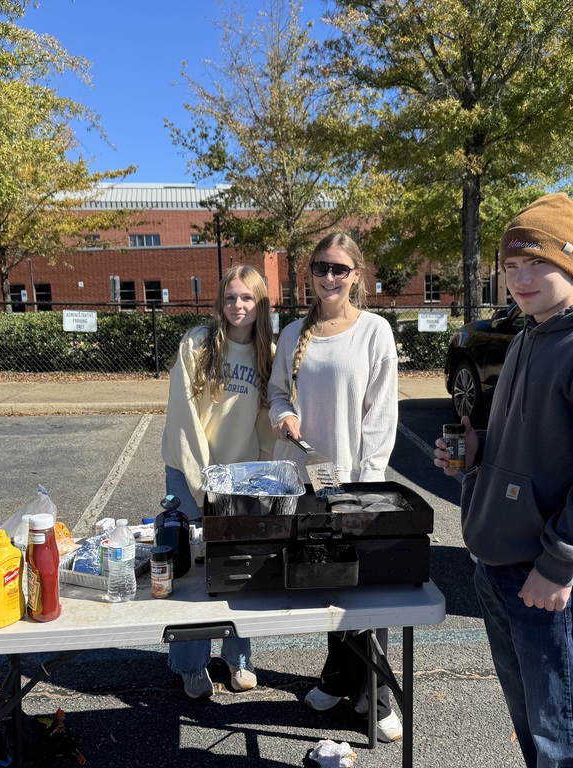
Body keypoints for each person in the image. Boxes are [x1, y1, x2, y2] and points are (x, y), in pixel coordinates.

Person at [434, 193, 573, 767]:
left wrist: (558, 565)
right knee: (536, 728)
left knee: (569, 739)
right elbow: (535, 448)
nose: (521, 278)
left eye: (539, 263)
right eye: (510, 266)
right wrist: (477, 454)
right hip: (500, 564)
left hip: (548, 574)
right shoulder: (532, 333)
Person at [267, 232, 402, 743]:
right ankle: (339, 675)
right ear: (310, 272)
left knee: (367, 586)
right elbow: (278, 392)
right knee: (326, 581)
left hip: (354, 480)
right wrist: (285, 415)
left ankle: (378, 692)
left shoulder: (374, 332)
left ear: (357, 275)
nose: (329, 277)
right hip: (303, 479)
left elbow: (381, 416)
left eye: (339, 269)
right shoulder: (291, 333)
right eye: (321, 267)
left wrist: (364, 484)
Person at [161, 264, 276, 699]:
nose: (238, 306)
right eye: (230, 297)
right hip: (191, 468)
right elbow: (184, 418)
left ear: (260, 303)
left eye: (247, 298)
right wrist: (201, 482)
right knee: (192, 573)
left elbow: (266, 423)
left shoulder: (269, 351)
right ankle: (191, 664)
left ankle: (237, 657)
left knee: (237, 568)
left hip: (239, 475)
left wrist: (260, 477)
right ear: (220, 301)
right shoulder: (197, 344)